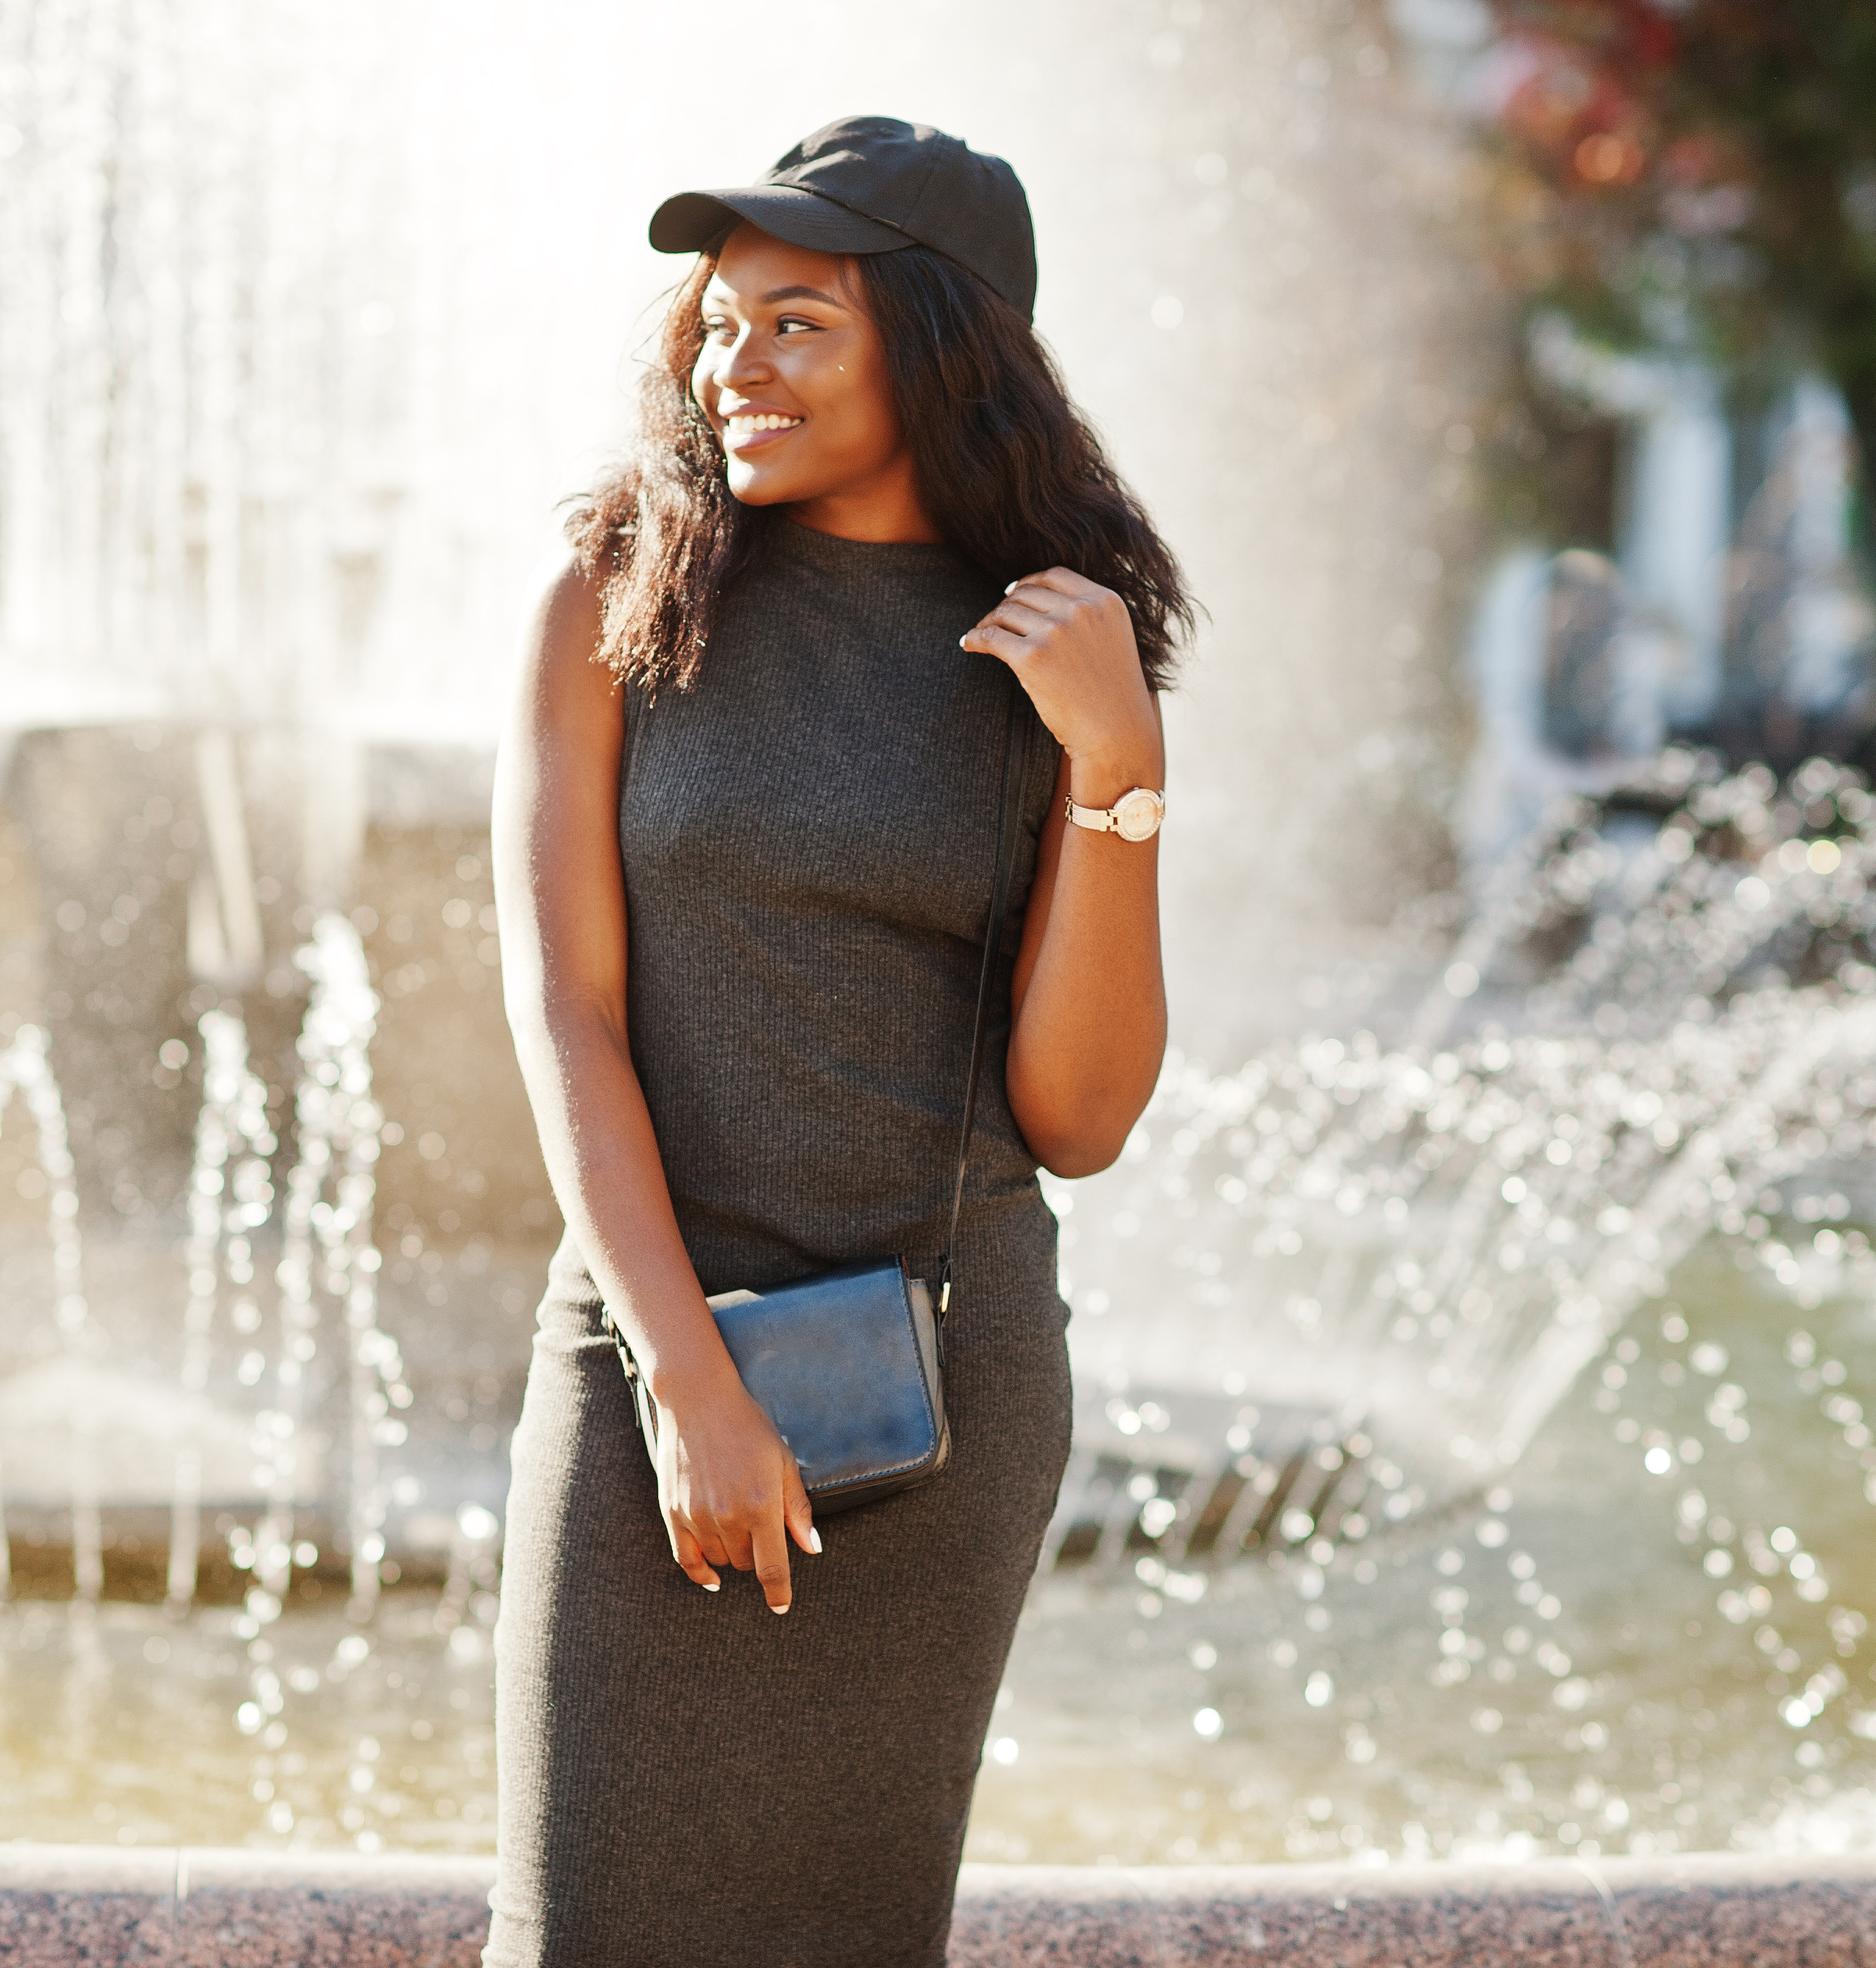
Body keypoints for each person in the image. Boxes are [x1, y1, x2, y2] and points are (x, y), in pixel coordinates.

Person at [487, 115, 1191, 1967]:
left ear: (940, 346)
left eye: (798, 321)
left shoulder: (1054, 653)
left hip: (943, 1394)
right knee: (579, 1930)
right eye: (720, 321)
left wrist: (1118, 773)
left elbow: (1079, 1113)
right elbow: (565, 1011)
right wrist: (688, 1383)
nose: (737, 364)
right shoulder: (616, 594)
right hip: (647, 1363)